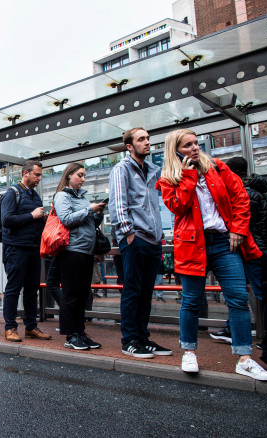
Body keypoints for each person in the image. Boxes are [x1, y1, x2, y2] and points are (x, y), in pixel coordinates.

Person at [156, 128, 267, 381]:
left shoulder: (217, 167)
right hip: (191, 244)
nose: (195, 148)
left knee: (239, 299)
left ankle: (244, 358)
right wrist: (187, 177)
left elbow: (241, 198)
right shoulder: (168, 178)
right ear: (175, 150)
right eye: (187, 145)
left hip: (223, 242)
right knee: (191, 301)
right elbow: (178, 206)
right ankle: (189, 351)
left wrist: (238, 230)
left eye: (196, 144)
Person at [108, 127, 171, 359]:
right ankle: (130, 341)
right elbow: (118, 204)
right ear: (129, 146)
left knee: (146, 292)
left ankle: (143, 338)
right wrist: (128, 233)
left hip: (153, 240)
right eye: (141, 139)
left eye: (148, 139)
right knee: (133, 291)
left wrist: (159, 235)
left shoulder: (152, 169)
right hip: (135, 239)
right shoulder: (121, 169)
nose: (147, 143)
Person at [218, 156, 267, 369]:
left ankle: (262, 337)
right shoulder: (259, 191)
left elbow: (242, 223)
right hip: (263, 248)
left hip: (252, 249)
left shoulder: (243, 193)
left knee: (255, 293)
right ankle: (235, 329)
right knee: (254, 293)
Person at [53, 163, 106, 350]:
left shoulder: (83, 198)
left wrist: (98, 213)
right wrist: (90, 209)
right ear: (68, 176)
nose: (83, 179)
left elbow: (87, 222)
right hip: (71, 251)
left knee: (83, 294)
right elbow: (66, 219)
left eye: (84, 175)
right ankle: (70, 335)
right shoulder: (61, 196)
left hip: (86, 250)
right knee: (71, 295)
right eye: (80, 175)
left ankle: (80, 332)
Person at [0, 160, 51, 342]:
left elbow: (31, 219)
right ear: (26, 173)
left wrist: (42, 218)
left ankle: (31, 327)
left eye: (40, 175)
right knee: (13, 289)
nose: (39, 178)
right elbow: (6, 220)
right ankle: (10, 328)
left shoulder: (35, 196)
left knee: (31, 290)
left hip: (33, 248)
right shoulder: (12, 193)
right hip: (16, 249)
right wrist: (32, 215)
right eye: (36, 174)